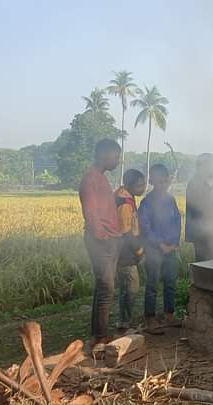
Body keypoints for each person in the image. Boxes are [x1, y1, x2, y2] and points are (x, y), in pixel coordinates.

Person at [78, 138, 123, 355]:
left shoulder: (102, 179)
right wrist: (102, 236)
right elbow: (91, 212)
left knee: (103, 288)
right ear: (104, 155)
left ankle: (99, 333)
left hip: (110, 240)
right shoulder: (90, 179)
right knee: (106, 289)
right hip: (101, 242)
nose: (117, 161)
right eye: (116, 157)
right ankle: (100, 338)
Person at [138, 164, 182, 334]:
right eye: (159, 181)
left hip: (171, 248)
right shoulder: (147, 202)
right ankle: (149, 319)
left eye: (165, 180)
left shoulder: (171, 200)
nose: (163, 184)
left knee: (171, 282)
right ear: (152, 181)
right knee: (153, 284)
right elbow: (145, 227)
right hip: (154, 250)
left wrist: (173, 243)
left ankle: (169, 315)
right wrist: (160, 244)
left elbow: (177, 221)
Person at [114, 169, 147, 332]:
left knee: (126, 288)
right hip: (125, 253)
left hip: (125, 251)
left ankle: (123, 320)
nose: (143, 188)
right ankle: (126, 321)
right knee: (132, 286)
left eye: (143, 184)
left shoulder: (126, 197)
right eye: (139, 185)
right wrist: (139, 250)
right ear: (129, 185)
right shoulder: (124, 204)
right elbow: (126, 232)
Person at [185, 153, 213, 262]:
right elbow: (206, 210)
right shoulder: (197, 184)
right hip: (203, 234)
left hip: (203, 233)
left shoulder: (201, 183)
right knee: (206, 265)